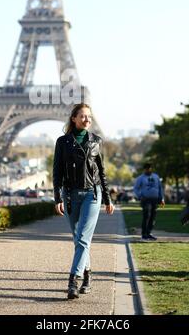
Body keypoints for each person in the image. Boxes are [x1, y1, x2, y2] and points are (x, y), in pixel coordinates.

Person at [53, 103, 114, 300]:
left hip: (91, 194)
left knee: (82, 238)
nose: (87, 119)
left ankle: (73, 280)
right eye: (83, 116)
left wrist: (107, 198)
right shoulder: (62, 142)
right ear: (74, 118)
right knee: (79, 239)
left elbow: (101, 172)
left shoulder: (96, 141)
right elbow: (57, 172)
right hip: (70, 195)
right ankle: (87, 275)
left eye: (89, 116)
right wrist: (57, 198)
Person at [133, 163, 165, 241]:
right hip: (146, 200)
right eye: (147, 169)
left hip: (155, 199)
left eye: (150, 168)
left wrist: (162, 199)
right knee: (146, 216)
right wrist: (140, 196)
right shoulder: (141, 178)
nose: (149, 170)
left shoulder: (156, 177)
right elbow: (136, 188)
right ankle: (144, 235)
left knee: (153, 217)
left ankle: (149, 233)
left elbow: (160, 188)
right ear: (144, 169)